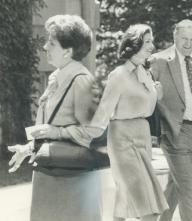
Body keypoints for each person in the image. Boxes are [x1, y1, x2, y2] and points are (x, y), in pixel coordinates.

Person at [67, 24, 168, 221]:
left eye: (151, 41)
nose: (152, 46)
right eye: (147, 42)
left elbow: (148, 106)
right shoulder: (119, 75)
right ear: (134, 44)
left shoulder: (146, 74)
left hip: (142, 136)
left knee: (124, 200)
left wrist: (158, 93)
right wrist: (78, 136)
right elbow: (103, 114)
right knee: (147, 205)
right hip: (122, 139)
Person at [8, 15, 102, 221]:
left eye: (51, 43)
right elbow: (49, 124)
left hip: (72, 180)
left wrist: (56, 132)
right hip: (49, 174)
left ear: (68, 51)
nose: (45, 47)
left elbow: (95, 131)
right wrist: (28, 148)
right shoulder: (56, 78)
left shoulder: (82, 81)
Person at [150, 19, 192, 221]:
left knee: (176, 183)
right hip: (174, 131)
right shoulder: (158, 61)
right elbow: (149, 97)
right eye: (184, 39)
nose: (189, 44)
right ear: (175, 37)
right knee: (188, 187)